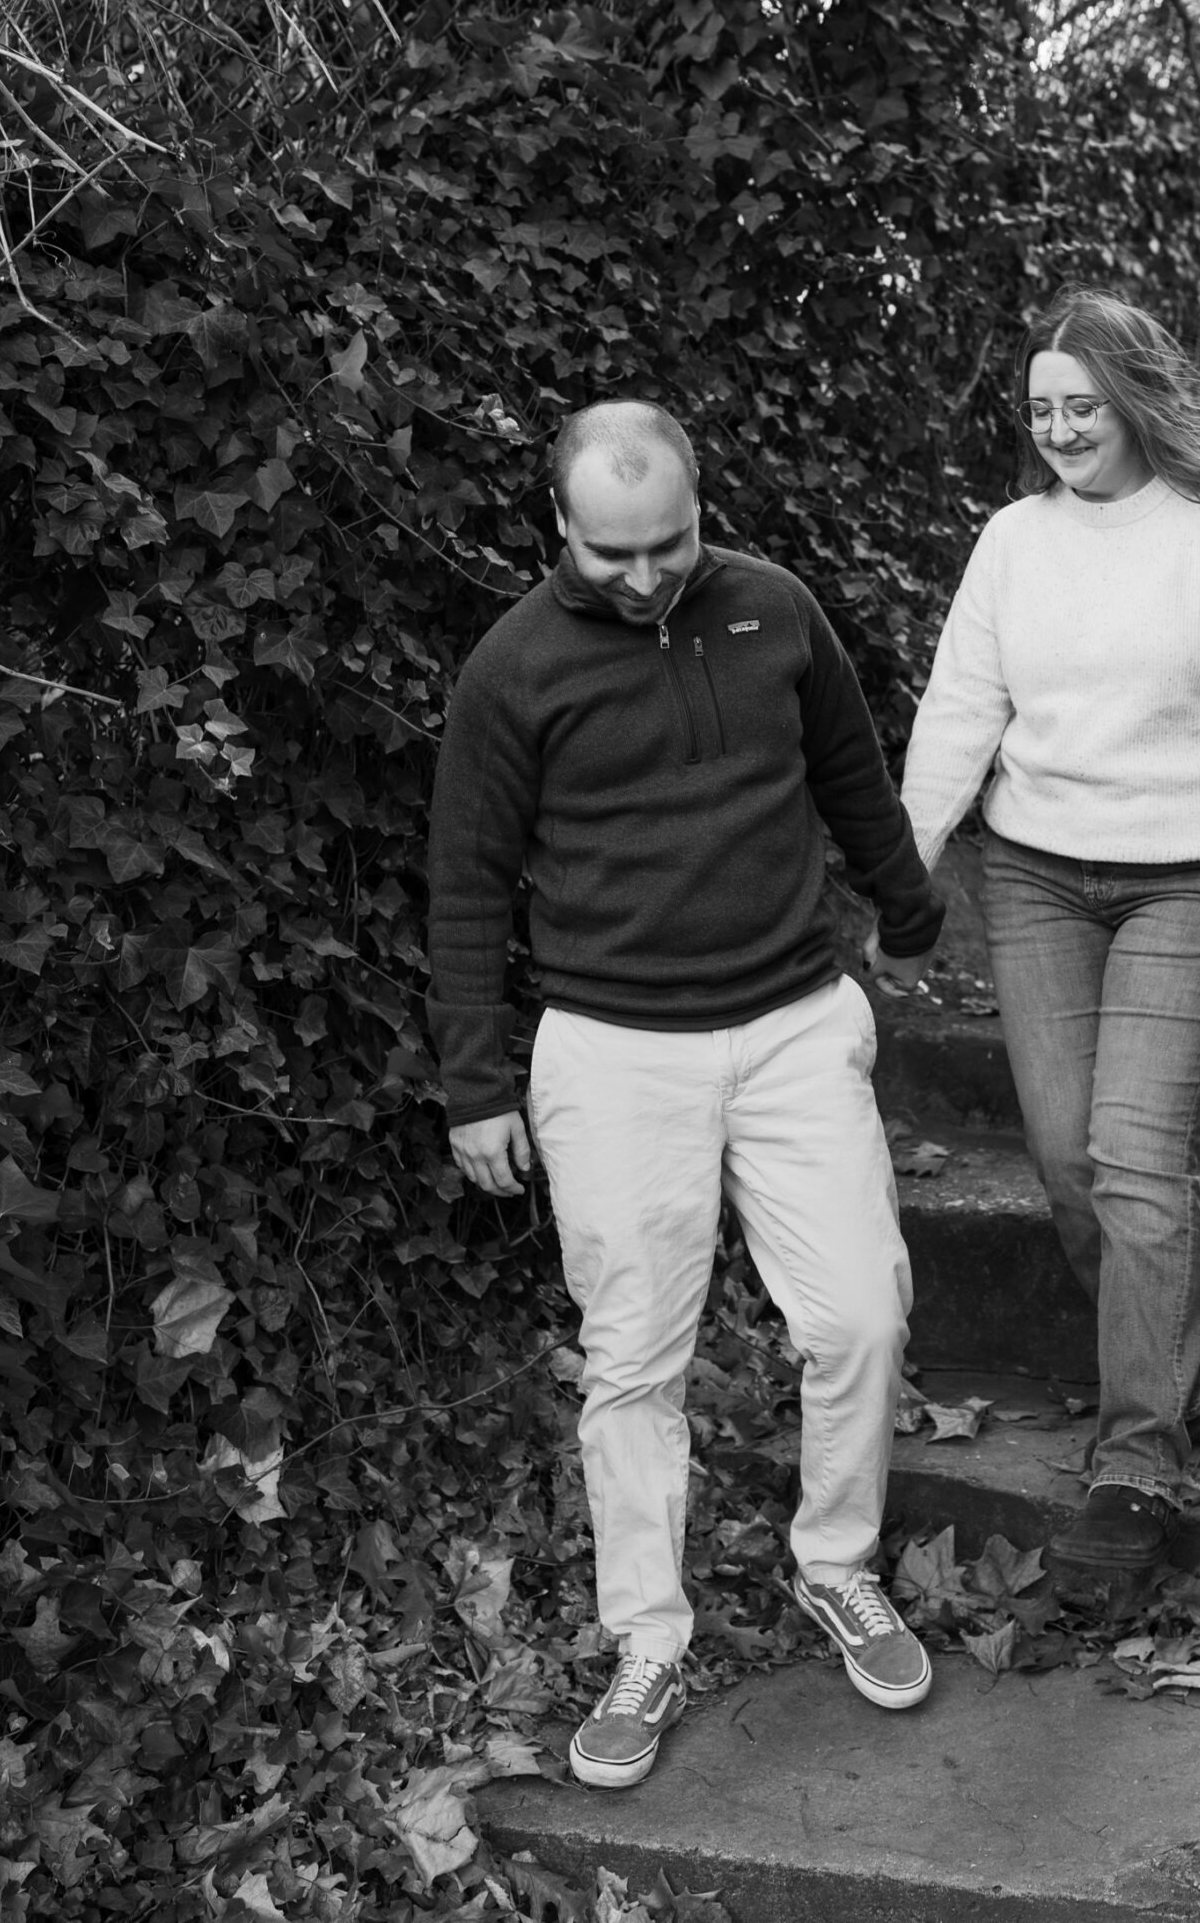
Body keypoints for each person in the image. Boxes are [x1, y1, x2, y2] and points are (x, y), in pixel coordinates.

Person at [426, 401, 944, 1789]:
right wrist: (476, 1082)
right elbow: (468, 882)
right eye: (612, 554)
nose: (647, 576)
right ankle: (647, 1640)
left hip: (792, 1024)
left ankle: (835, 1566)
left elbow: (848, 775)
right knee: (634, 1363)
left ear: (701, 507)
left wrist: (907, 908)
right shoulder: (514, 668)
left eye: (670, 544)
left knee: (861, 1312)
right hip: (611, 1049)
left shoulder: (774, 609)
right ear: (558, 525)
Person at [900, 289, 1200, 1597]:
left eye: (1080, 407)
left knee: (1135, 1153)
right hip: (1038, 873)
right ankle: (1160, 1362)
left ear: (1133, 402)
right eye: (1040, 411)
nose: (1058, 431)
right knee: (1064, 1159)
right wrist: (902, 869)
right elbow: (959, 710)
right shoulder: (1012, 542)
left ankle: (1136, 1459)